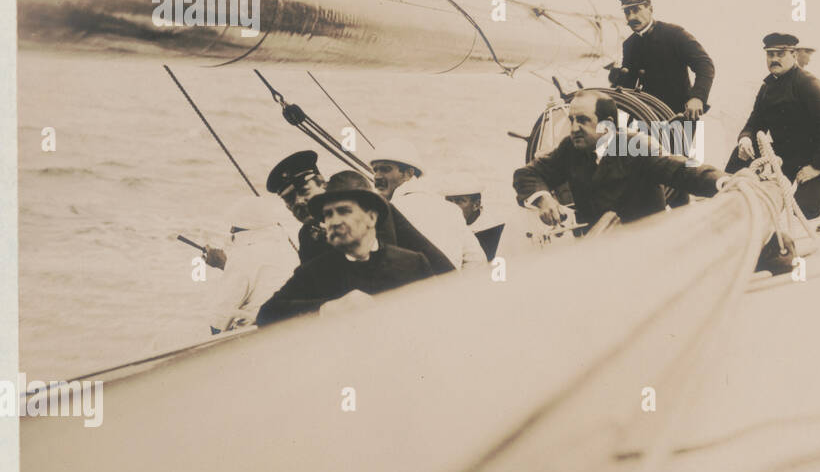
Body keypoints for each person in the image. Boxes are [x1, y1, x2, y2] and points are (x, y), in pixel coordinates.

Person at [513, 90, 726, 228]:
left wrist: (723, 182)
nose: (574, 128)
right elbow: (528, 173)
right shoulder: (571, 148)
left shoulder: (635, 146)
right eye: (572, 120)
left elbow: (681, 171)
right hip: (598, 249)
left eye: (583, 120)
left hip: (645, 248)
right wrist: (543, 198)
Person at [256, 171, 434, 325]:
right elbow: (266, 314)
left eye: (344, 211)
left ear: (372, 218)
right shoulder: (316, 270)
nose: (334, 221)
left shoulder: (413, 263)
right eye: (328, 214)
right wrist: (326, 309)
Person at [727, 33, 820, 219]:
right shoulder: (767, 88)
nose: (774, 59)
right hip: (786, 155)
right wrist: (745, 139)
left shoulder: (809, 84)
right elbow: (754, 122)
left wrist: (816, 167)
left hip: (816, 156)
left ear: (794, 55)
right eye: (770, 54)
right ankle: (729, 199)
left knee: (805, 210)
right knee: (738, 154)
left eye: (780, 54)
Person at [370, 140, 487, 270]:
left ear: (409, 173)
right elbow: (477, 261)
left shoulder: (386, 212)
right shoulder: (451, 209)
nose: (377, 176)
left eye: (385, 169)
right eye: (375, 170)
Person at [607, 0, 715, 119]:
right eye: (627, 12)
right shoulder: (629, 44)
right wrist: (617, 77)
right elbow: (629, 83)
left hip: (678, 115)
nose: (631, 17)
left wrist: (698, 98)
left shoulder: (674, 34)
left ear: (650, 9)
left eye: (636, 10)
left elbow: (705, 65)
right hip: (644, 116)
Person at [206, 196, 299, 333]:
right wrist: (225, 266)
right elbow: (261, 276)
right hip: (288, 326)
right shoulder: (288, 249)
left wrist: (229, 267)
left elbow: (219, 320)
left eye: (233, 226)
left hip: (255, 335)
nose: (231, 231)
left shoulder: (242, 257)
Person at [266, 149, 332, 264]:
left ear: (322, 184)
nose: (298, 201)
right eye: (289, 198)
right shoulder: (307, 234)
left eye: (304, 191)